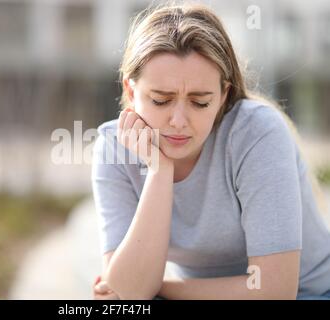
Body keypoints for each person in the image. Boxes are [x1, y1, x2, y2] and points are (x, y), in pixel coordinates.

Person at [91, 2, 330, 300]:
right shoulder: (114, 148)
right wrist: (159, 171)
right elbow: (126, 297)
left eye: (200, 102)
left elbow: (274, 291)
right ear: (130, 91)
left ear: (223, 95)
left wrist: (161, 289)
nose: (178, 122)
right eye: (161, 100)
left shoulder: (257, 133)